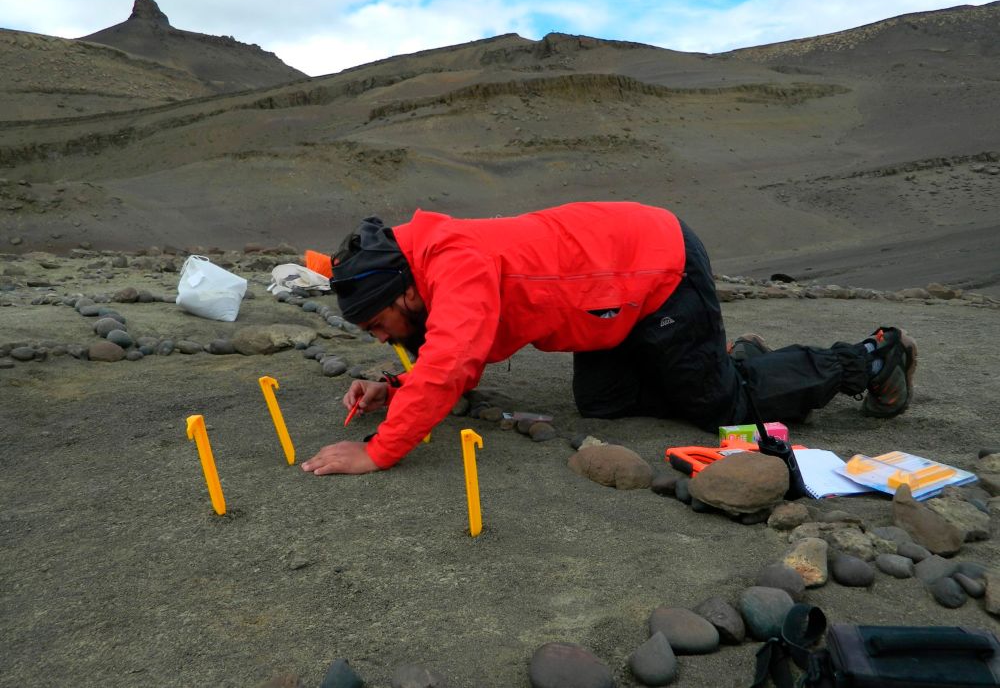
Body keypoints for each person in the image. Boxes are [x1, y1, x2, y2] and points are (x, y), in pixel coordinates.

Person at [300, 202, 917, 476]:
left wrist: (380, 450)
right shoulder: (421, 265)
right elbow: (458, 346)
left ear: (403, 294)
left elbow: (456, 356)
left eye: (380, 326)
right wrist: (398, 384)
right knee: (605, 404)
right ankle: (729, 358)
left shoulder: (454, 264)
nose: (384, 339)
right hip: (606, 298)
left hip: (657, 270)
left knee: (722, 410)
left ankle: (869, 357)